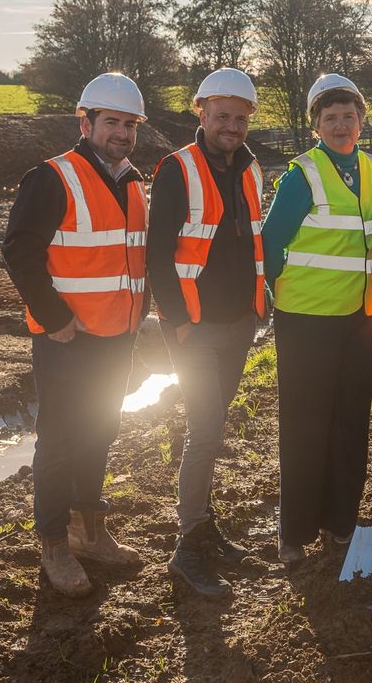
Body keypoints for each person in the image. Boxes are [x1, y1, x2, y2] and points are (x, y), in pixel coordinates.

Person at [3, 73, 149, 597]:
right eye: (113, 122)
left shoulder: (132, 180)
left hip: (117, 336)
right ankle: (54, 544)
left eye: (130, 125)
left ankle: (89, 530)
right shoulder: (51, 178)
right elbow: (19, 250)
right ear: (85, 122)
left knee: (100, 431)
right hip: (67, 339)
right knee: (60, 439)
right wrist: (54, 316)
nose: (122, 133)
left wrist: (141, 311)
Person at [147, 68, 265, 595]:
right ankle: (187, 545)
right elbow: (157, 254)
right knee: (204, 434)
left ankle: (204, 527)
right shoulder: (177, 169)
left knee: (213, 428)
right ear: (201, 112)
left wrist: (257, 311)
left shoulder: (252, 168)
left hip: (240, 323)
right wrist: (177, 324)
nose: (231, 126)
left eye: (240, 118)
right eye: (222, 115)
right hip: (194, 328)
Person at [261, 73, 372, 564]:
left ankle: (340, 523)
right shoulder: (302, 175)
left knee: (351, 424)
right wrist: (277, 295)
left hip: (361, 316)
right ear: (316, 123)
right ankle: (294, 534)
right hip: (307, 320)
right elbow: (271, 244)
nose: (341, 125)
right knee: (306, 425)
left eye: (348, 116)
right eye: (330, 117)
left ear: (361, 120)